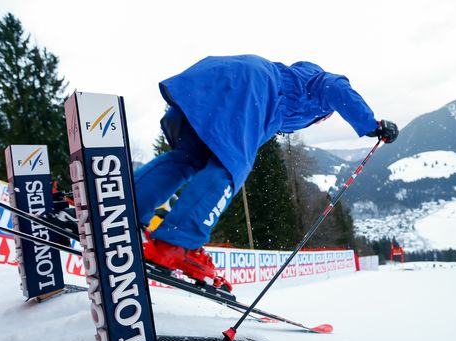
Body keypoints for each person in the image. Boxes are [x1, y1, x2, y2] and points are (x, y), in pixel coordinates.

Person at [133, 55, 399, 286]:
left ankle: (126, 206)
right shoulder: (315, 84)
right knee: (231, 163)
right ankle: (178, 243)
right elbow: (335, 87)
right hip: (251, 89)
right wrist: (372, 125)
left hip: (218, 78)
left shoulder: (291, 81)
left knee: (190, 156)